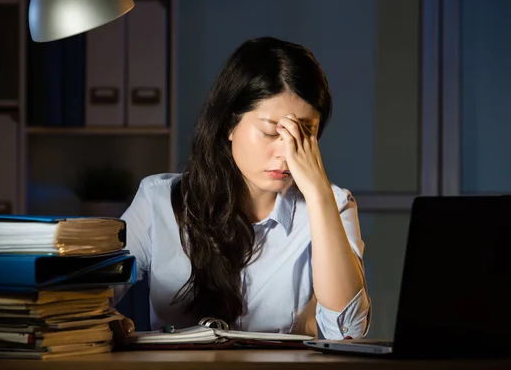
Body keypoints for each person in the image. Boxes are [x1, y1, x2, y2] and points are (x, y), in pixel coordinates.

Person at [114, 36, 371, 340]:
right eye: (270, 132)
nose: (285, 152)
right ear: (229, 125)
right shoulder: (158, 200)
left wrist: (318, 194)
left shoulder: (333, 204)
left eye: (303, 134)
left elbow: (349, 331)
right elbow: (84, 297)